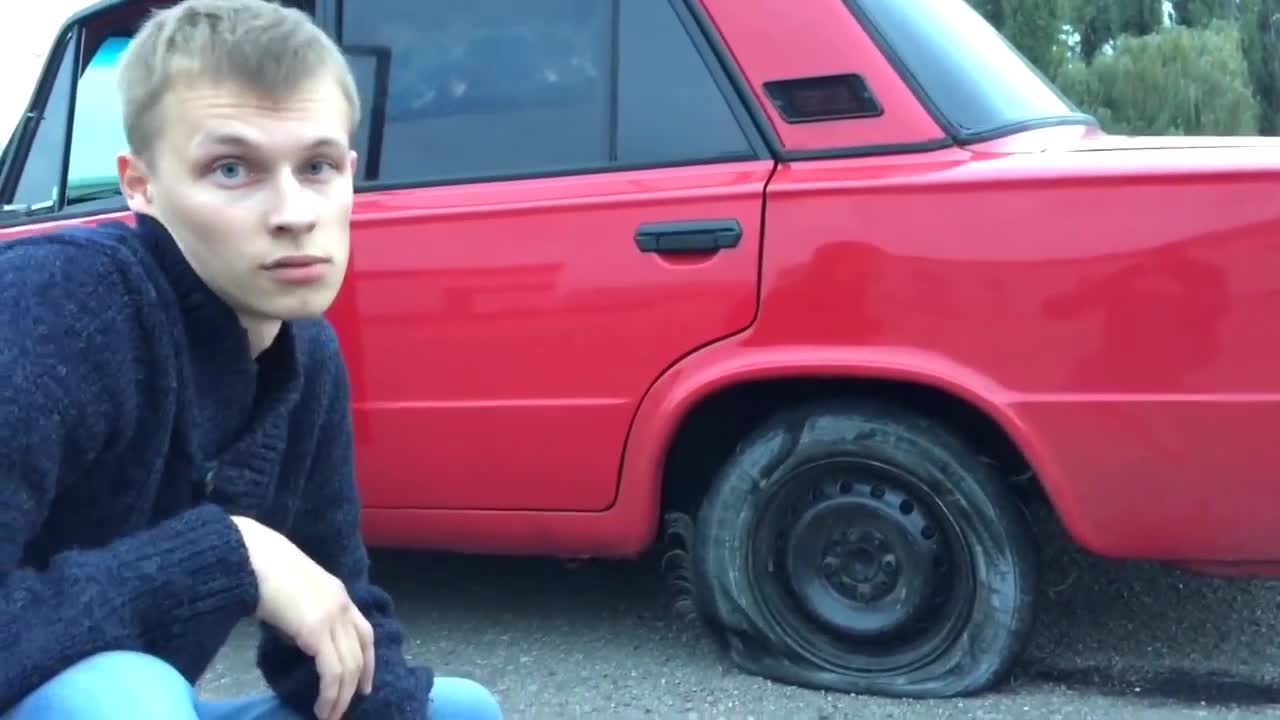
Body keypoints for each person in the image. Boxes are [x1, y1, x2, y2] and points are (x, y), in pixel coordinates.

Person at [0, 0, 502, 718]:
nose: (294, 212)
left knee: (455, 710)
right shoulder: (57, 307)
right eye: (233, 169)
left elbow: (336, 617)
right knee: (120, 696)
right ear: (141, 186)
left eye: (318, 166)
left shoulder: (303, 355)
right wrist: (228, 555)